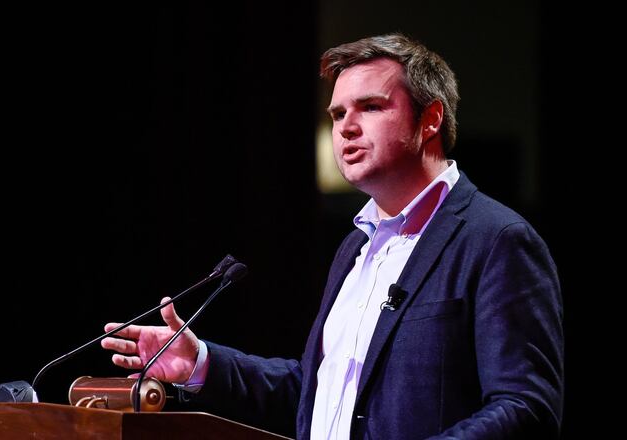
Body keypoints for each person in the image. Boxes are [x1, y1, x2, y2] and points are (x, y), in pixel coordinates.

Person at [100, 33, 563, 439]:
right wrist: (201, 362)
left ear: (431, 119)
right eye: (338, 113)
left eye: (371, 107)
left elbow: (525, 408)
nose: (346, 128)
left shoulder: (496, 240)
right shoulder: (356, 247)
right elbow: (317, 395)